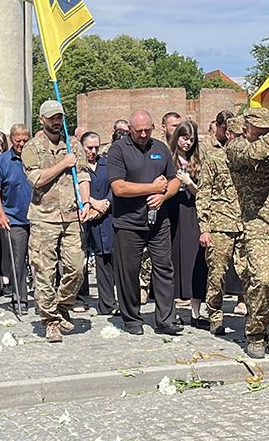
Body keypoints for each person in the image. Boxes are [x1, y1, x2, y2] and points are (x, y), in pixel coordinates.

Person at [227, 107, 269, 359]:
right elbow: (257, 153)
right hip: (259, 227)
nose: (267, 134)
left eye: (268, 129)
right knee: (262, 280)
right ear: (246, 129)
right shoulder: (238, 148)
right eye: (260, 130)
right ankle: (256, 334)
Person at [108, 109, 181, 336]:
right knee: (128, 272)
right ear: (130, 129)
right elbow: (118, 188)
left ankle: (165, 320)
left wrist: (163, 195)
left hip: (159, 222)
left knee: (164, 269)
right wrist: (152, 188)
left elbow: (175, 180)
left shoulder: (160, 148)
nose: (142, 134)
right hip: (128, 222)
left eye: (146, 130)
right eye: (138, 130)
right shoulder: (118, 150)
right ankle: (132, 318)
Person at [22, 100, 90, 342]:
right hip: (44, 217)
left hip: (71, 215)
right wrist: (63, 163)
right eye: (51, 117)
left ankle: (62, 306)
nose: (56, 121)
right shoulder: (32, 147)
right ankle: (50, 320)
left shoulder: (73, 145)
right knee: (44, 271)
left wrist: (87, 202)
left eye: (59, 117)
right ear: (42, 119)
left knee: (77, 267)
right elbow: (36, 179)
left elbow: (82, 176)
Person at [197, 111, 244, 335]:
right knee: (217, 274)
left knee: (250, 275)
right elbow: (204, 194)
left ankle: (254, 318)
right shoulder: (215, 159)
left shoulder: (249, 161)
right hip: (219, 224)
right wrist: (204, 228)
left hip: (245, 225)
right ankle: (215, 314)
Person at [0, 124, 34, 315]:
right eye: (18, 140)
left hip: (38, 216)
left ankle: (43, 298)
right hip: (14, 218)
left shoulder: (36, 158)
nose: (22, 144)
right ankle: (20, 298)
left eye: (25, 140)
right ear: (11, 139)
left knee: (40, 260)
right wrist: (1, 215)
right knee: (18, 260)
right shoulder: (1, 162)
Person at [168, 120, 207, 326]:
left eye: (192, 140)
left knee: (195, 262)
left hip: (192, 213)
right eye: (184, 138)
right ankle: (172, 311)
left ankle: (195, 312)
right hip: (173, 212)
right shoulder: (169, 158)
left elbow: (204, 194)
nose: (188, 143)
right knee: (172, 261)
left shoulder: (199, 160)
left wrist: (189, 183)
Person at [79, 132, 116, 315]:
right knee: (80, 260)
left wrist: (105, 204)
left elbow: (115, 186)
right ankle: (79, 297)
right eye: (89, 148)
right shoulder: (77, 166)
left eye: (96, 147)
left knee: (105, 258)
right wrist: (93, 203)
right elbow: (75, 188)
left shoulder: (106, 164)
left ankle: (107, 303)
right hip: (84, 216)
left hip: (106, 217)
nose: (93, 151)